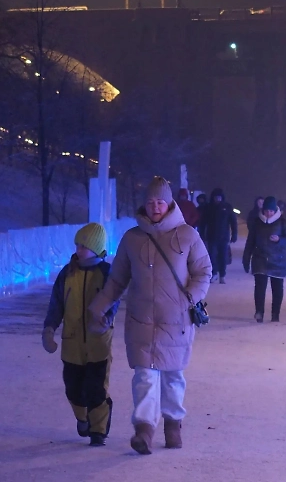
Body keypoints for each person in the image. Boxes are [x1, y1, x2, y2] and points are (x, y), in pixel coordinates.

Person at [89, 177, 211, 455]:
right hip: (141, 320)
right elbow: (117, 279)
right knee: (144, 376)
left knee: (172, 376)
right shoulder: (132, 238)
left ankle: (172, 423)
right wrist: (99, 306)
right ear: (144, 204)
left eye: (160, 201)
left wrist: (189, 297)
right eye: (150, 201)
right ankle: (144, 428)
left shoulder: (187, 235)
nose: (155, 206)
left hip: (176, 320)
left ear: (169, 203)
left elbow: (204, 271)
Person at [43, 223, 118, 446]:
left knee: (96, 388)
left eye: (84, 245)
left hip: (98, 345)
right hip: (72, 345)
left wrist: (105, 319)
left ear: (96, 247)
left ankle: (98, 432)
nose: (79, 249)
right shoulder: (67, 273)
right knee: (73, 388)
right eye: (77, 244)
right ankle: (82, 417)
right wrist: (49, 329)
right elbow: (56, 304)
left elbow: (114, 299)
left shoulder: (106, 273)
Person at [243, 196, 286, 322]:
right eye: (266, 211)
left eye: (271, 211)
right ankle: (259, 312)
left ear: (275, 210)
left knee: (277, 288)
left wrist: (280, 240)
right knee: (260, 287)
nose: (268, 213)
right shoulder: (256, 222)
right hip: (260, 258)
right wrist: (246, 258)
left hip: (278, 260)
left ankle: (275, 314)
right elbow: (250, 241)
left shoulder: (282, 222)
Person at [200, 188, 238, 284]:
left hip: (224, 237)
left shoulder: (227, 207)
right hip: (211, 236)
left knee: (223, 256)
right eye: (216, 197)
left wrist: (234, 235)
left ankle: (222, 275)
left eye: (219, 197)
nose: (217, 199)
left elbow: (233, 222)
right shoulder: (208, 208)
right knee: (212, 256)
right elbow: (203, 222)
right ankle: (214, 274)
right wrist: (202, 234)